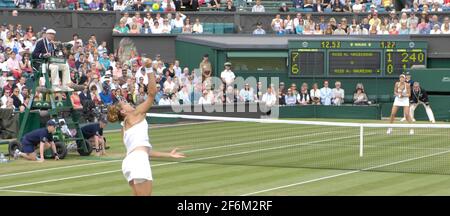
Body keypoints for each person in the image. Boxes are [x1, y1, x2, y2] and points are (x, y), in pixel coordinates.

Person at [107, 59, 185, 196]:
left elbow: (145, 151)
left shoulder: (124, 127)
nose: (128, 102)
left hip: (129, 163)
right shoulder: (135, 114)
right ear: (123, 112)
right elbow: (152, 94)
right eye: (124, 104)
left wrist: (169, 155)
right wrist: (149, 69)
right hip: (138, 162)